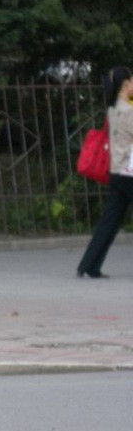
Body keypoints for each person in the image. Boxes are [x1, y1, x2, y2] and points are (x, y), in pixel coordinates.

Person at [77, 66, 133, 278]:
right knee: (110, 220)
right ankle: (89, 266)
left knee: (109, 221)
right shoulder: (128, 111)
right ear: (125, 85)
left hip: (116, 172)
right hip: (129, 173)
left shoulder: (113, 109)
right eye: (132, 82)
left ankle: (88, 265)